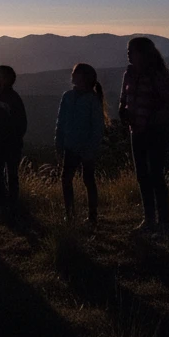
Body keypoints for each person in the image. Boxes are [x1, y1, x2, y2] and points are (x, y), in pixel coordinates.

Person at [119, 37, 169, 236]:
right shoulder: (129, 73)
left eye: (132, 50)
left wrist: (155, 120)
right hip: (135, 131)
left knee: (155, 176)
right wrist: (123, 109)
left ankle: (163, 222)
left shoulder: (157, 74)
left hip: (155, 132)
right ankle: (149, 220)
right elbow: (124, 97)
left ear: (143, 53)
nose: (128, 54)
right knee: (143, 177)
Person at [55, 63, 106, 228]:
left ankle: (92, 216)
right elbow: (60, 121)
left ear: (83, 78)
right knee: (68, 180)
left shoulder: (92, 100)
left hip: (85, 148)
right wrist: (59, 142)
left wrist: (90, 148)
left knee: (87, 180)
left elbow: (97, 127)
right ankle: (70, 214)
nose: (72, 75)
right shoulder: (67, 96)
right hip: (70, 146)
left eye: (75, 73)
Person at [0, 65, 27, 224]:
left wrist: (13, 140)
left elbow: (22, 123)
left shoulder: (14, 98)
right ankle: (2, 208)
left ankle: (11, 208)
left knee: (11, 175)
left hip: (11, 144)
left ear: (7, 79)